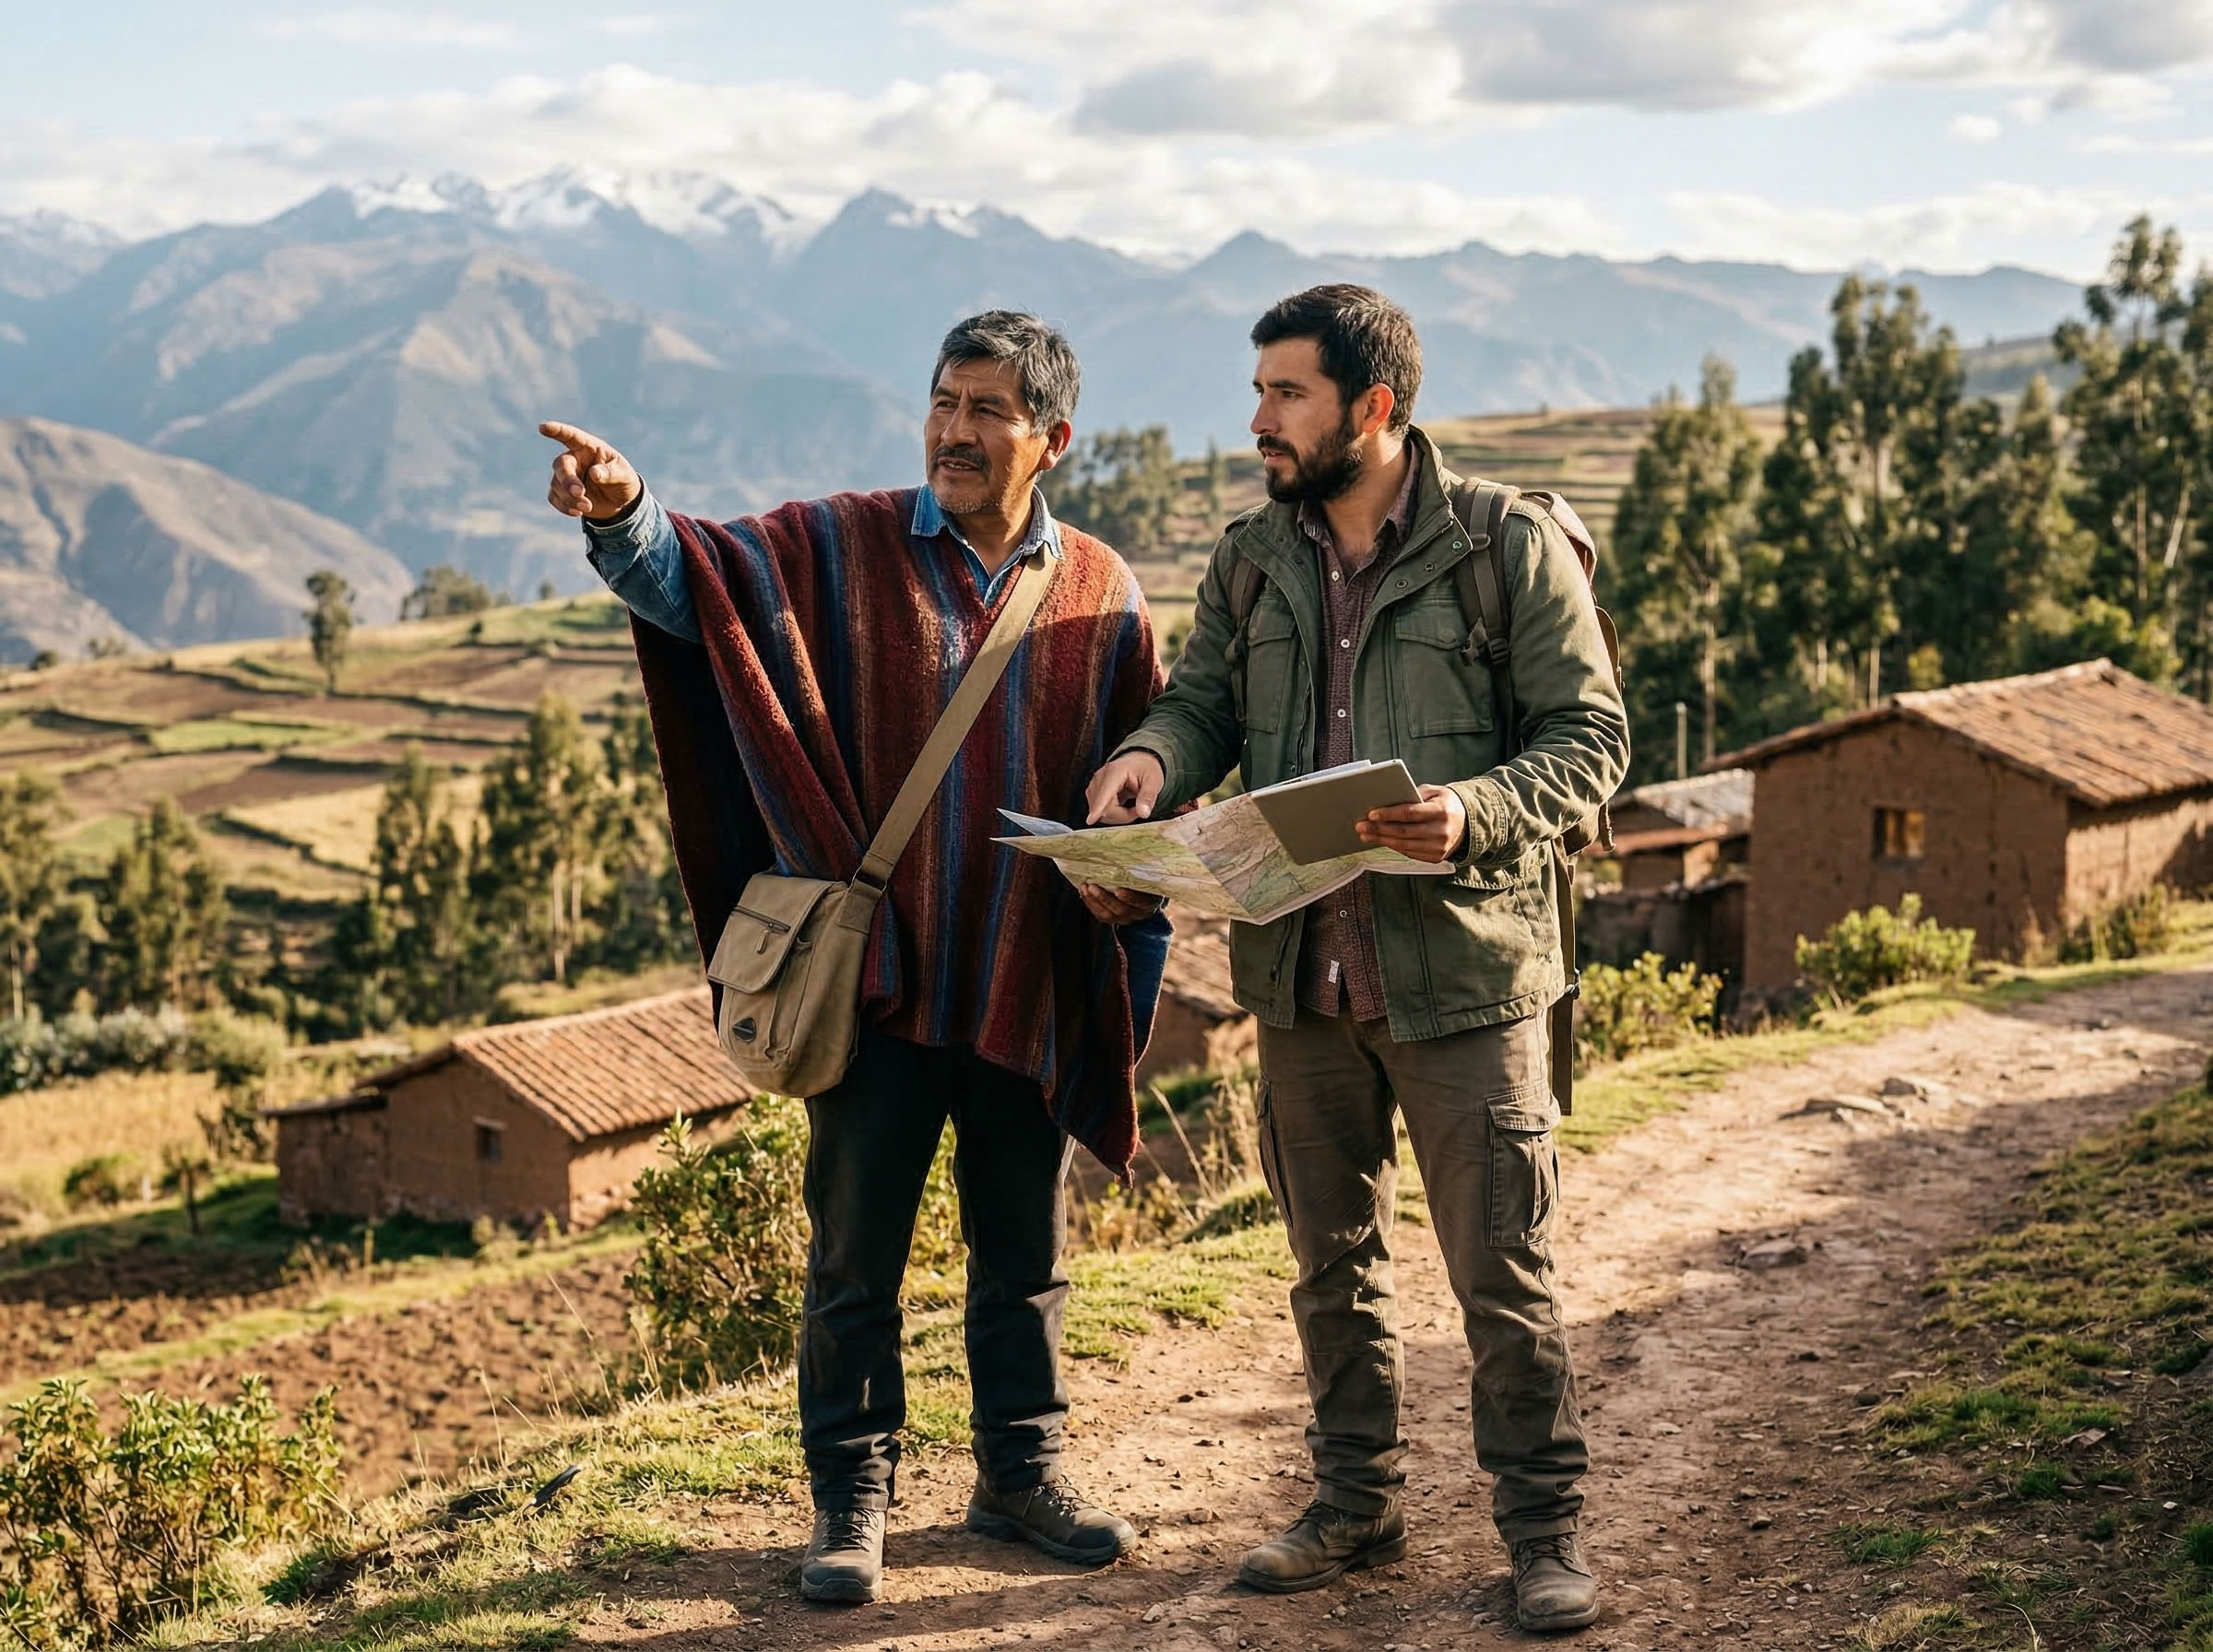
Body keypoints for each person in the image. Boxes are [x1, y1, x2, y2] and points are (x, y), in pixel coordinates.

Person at [542, 312, 1168, 1606]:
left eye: (985, 410)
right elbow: (698, 587)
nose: (951, 429)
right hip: (877, 983)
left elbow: (1140, 772)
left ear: (1050, 439)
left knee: (1024, 1254)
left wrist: (1132, 852)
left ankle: (1021, 1470)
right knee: (854, 1261)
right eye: (943, 400)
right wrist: (624, 512)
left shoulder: (1104, 593)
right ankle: (852, 1495)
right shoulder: (843, 546)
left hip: (1025, 977)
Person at [1083, 285, 1628, 1634]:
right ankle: (1355, 1502)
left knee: (1502, 1266)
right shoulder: (1251, 556)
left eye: (1287, 394)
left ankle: (1544, 1533)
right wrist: (1153, 758)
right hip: (1300, 977)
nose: (1258, 419)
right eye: (1260, 389)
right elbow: (1207, 696)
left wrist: (1472, 814)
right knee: (1329, 1261)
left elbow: (1589, 738)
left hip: (1463, 977)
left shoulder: (1504, 547)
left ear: (1372, 409)